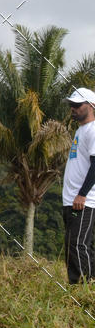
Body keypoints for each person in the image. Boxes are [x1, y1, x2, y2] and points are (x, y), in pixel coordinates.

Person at [62, 88, 95, 284]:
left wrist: (82, 194)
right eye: (71, 105)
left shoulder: (93, 130)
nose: (73, 109)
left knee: (78, 244)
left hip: (84, 200)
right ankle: (77, 286)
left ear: (91, 106)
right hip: (71, 199)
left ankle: (86, 288)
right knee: (72, 245)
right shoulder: (81, 130)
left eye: (77, 105)